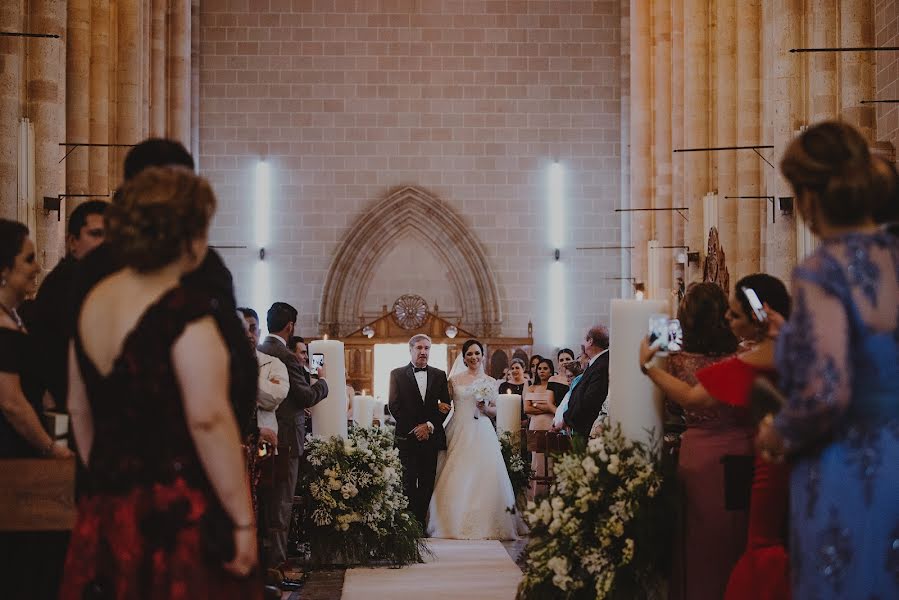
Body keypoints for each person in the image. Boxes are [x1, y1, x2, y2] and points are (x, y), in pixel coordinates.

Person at [61, 167, 260, 597]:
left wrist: (109, 483)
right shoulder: (185, 311)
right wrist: (242, 519)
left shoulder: (94, 301)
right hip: (178, 513)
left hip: (108, 507)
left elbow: (79, 407)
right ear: (185, 233)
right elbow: (208, 419)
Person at [755, 121, 899, 599]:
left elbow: (826, 392)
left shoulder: (824, 269)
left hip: (849, 469)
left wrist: (778, 432)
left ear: (810, 198)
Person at [640, 275, 792, 600]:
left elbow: (691, 396)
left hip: (701, 456)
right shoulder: (749, 350)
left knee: (700, 544)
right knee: (738, 540)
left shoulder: (682, 347)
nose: (728, 319)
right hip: (749, 451)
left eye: (735, 314)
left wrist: (651, 357)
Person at [0, 219, 74, 600]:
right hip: (10, 456)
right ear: (4, 269)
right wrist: (52, 447)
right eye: (28, 259)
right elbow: (11, 402)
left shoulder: (17, 318)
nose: (36, 266)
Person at [427, 339, 524, 539]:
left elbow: (496, 409)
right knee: (457, 472)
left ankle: (487, 521)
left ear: (482, 355)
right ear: (463, 357)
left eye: (477, 353)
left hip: (481, 429)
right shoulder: (454, 381)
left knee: (484, 474)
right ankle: (450, 522)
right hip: (458, 428)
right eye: (469, 354)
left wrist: (486, 408)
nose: (473, 357)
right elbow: (445, 405)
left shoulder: (489, 381)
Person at [257, 302, 329, 571]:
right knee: (281, 502)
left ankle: (261, 559)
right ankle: (275, 565)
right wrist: (322, 381)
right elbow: (305, 396)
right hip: (285, 438)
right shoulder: (287, 357)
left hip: (260, 435)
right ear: (290, 326)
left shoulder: (257, 350)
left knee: (262, 499)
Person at [28, 199, 107, 409]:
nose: (106, 243)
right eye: (96, 234)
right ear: (73, 242)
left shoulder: (88, 280)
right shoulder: (67, 282)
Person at [387, 334, 451, 529]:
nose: (423, 352)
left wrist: (429, 426)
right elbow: (394, 406)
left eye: (427, 348)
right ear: (411, 350)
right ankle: (407, 525)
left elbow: (446, 405)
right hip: (407, 438)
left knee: (426, 482)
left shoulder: (440, 375)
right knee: (407, 482)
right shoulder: (397, 374)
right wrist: (416, 429)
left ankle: (421, 525)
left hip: (430, 438)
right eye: (419, 348)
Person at [563, 325, 610, 437]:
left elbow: (589, 400)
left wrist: (567, 419)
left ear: (590, 341)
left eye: (585, 339)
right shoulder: (596, 363)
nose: (583, 343)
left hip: (587, 428)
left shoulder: (602, 365)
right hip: (581, 425)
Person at [525, 357, 556, 498]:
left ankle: (551, 495)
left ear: (551, 371)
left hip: (551, 424)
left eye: (545, 368)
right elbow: (527, 409)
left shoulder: (554, 387)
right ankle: (536, 495)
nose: (541, 371)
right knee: (537, 460)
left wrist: (536, 406)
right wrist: (546, 408)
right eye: (539, 369)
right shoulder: (531, 387)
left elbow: (556, 408)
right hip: (536, 425)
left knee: (551, 459)